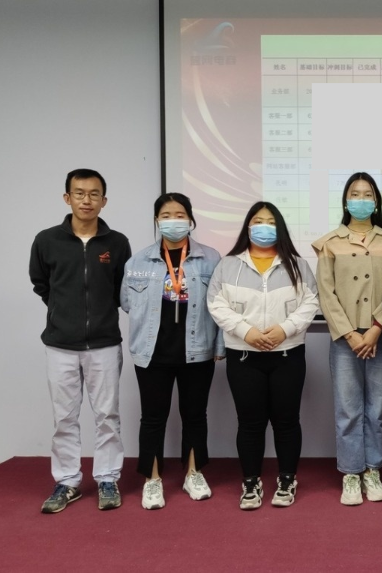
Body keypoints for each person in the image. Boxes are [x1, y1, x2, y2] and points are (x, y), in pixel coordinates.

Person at [29, 168, 131, 513]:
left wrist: (98, 314)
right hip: (60, 344)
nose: (86, 200)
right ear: (67, 198)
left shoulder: (117, 243)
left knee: (107, 416)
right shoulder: (47, 240)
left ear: (104, 200)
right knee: (64, 418)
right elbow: (41, 283)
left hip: (104, 344)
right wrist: (65, 312)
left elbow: (121, 288)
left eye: (93, 194)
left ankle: (107, 478)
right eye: (79, 193)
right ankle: (67, 481)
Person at [207, 202, 319, 510]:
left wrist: (285, 329)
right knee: (250, 423)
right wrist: (246, 332)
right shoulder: (229, 265)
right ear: (248, 227)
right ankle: (251, 481)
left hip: (287, 354)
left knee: (287, 421)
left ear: (279, 228)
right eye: (258, 221)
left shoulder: (297, 265)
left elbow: (311, 302)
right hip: (244, 355)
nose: (264, 227)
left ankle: (287, 479)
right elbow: (216, 303)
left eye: (271, 222)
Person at [120, 193, 223, 510]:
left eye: (180, 215)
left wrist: (219, 346)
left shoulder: (211, 258)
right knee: (153, 418)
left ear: (190, 219)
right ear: (156, 220)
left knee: (195, 416)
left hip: (197, 350)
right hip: (152, 352)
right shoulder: (138, 261)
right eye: (166, 215)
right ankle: (152, 479)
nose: (173, 221)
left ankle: (193, 473)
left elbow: (221, 305)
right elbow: (127, 302)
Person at [312, 173, 382, 506]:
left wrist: (376, 328)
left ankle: (372, 470)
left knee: (376, 410)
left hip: (381, 336)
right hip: (344, 340)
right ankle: (351, 473)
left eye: (367, 194)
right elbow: (326, 293)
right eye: (355, 194)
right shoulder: (330, 243)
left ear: (376, 202)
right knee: (348, 409)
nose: (361, 199)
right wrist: (350, 334)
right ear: (345, 201)